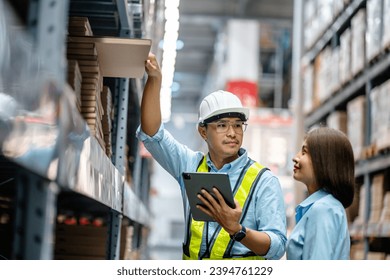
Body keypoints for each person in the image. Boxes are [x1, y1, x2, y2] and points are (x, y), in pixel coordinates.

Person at [136, 53, 287, 260]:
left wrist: (238, 230)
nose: (232, 132)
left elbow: (277, 246)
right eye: (222, 125)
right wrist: (155, 81)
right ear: (203, 132)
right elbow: (152, 135)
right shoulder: (190, 165)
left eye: (237, 125)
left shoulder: (264, 181)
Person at [287, 126, 355, 260]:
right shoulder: (326, 207)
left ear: (323, 160)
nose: (295, 158)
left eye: (304, 152)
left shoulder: (323, 209)